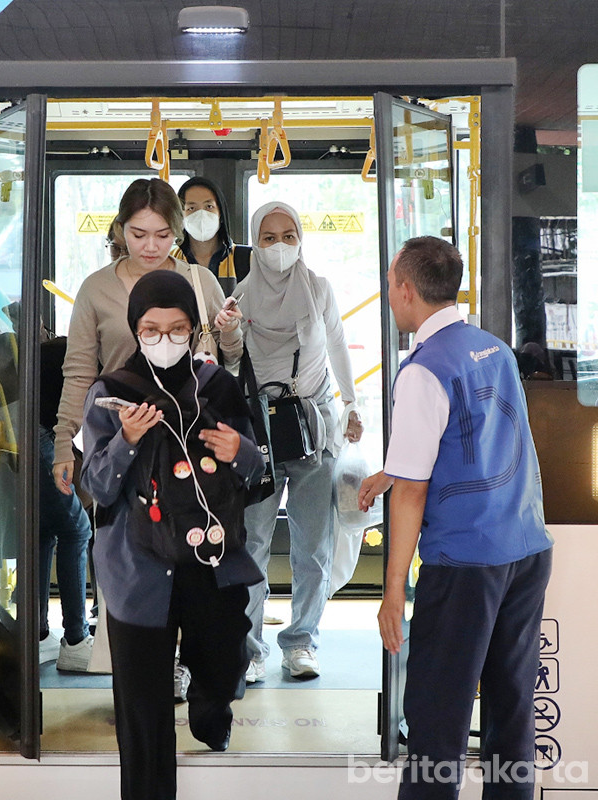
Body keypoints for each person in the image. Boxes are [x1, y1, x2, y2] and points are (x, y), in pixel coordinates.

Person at [357, 237, 553, 798]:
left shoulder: (423, 370)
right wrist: (394, 469)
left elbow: (412, 494)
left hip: (465, 565)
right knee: (511, 714)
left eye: (390, 283)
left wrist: (393, 590)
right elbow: (482, 438)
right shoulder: (493, 348)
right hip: (524, 551)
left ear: (405, 289)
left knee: (436, 721)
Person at [53, 178, 241, 695]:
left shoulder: (199, 281)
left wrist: (228, 330)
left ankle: (181, 663)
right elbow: (78, 370)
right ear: (120, 230)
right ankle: (134, 663)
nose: (151, 246)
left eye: (163, 235)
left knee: (187, 553)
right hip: (120, 438)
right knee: (126, 554)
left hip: (188, 441)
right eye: (138, 234)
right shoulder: (97, 288)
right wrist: (65, 440)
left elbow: (229, 359)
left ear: (178, 233)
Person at [80, 269, 262, 797]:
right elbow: (97, 487)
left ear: (195, 329)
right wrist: (126, 440)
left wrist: (241, 452)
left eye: (178, 328)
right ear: (135, 330)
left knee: (225, 662)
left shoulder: (217, 386)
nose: (165, 340)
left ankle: (210, 713)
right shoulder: (111, 394)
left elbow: (259, 472)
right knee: (143, 710)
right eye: (152, 330)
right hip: (139, 569)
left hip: (211, 563)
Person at [231, 201, 361, 683]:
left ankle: (302, 641)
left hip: (312, 428)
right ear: (254, 243)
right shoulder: (240, 299)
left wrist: (351, 403)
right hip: (259, 435)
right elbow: (230, 363)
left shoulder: (318, 289)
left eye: (289, 236)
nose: (280, 246)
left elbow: (337, 344)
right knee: (253, 544)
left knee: (314, 546)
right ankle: (250, 649)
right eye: (268, 238)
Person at [39, 332, 94, 670]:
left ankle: (38, 632)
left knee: (44, 530)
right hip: (42, 438)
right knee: (77, 530)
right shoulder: (84, 360)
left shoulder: (57, 349)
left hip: (20, 430)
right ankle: (75, 639)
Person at [174, 176, 249, 296]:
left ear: (220, 213)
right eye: (191, 208)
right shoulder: (171, 261)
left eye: (209, 207)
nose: (201, 215)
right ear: (181, 216)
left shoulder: (246, 259)